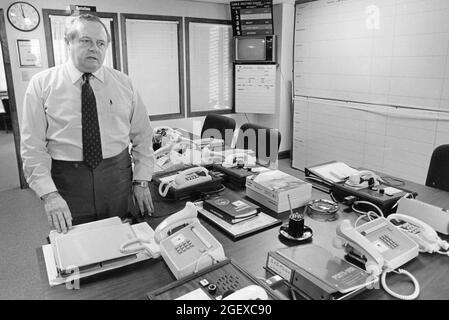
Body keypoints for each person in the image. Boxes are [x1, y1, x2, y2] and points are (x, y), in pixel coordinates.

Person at [21, 14, 155, 233]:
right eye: (86, 41)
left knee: (121, 236)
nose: (95, 48)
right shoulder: (42, 85)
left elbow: (142, 135)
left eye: (101, 43)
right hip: (69, 182)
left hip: (117, 177)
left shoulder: (123, 83)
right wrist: (50, 195)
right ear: (68, 43)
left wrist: (141, 181)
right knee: (77, 244)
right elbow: (32, 148)